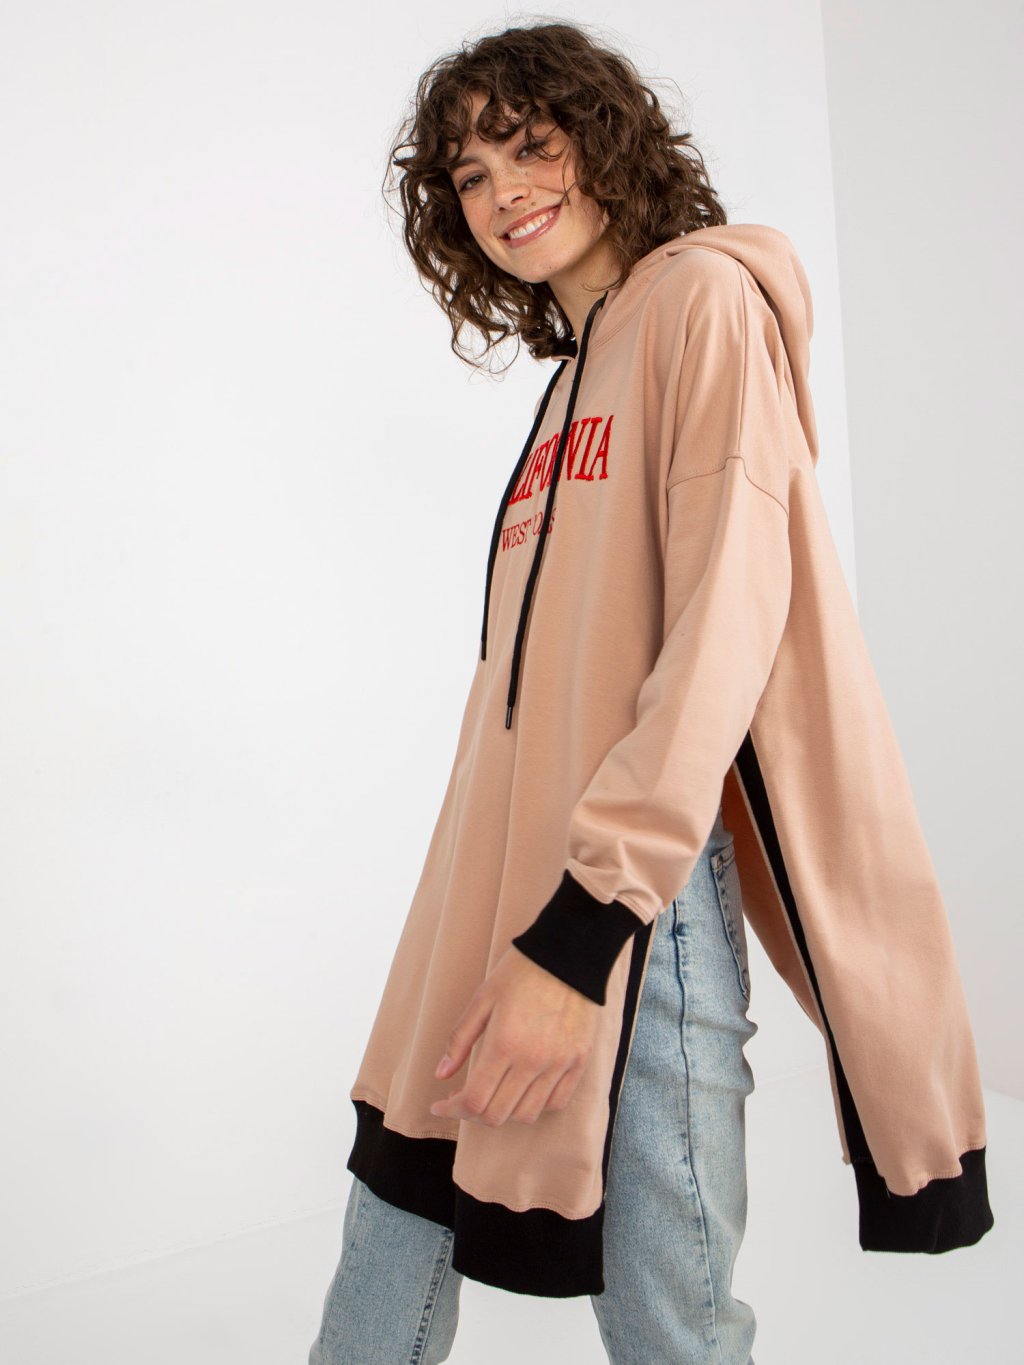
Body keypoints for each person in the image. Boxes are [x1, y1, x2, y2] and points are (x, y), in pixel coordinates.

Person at [308, 20, 993, 1365]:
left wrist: (584, 933)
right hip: (494, 894)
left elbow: (725, 631)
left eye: (528, 143)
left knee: (669, 1321)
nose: (501, 189)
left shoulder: (704, 305)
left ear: (605, 136)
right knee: (390, 1227)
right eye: (468, 174)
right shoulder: (575, 381)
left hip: (633, 904)